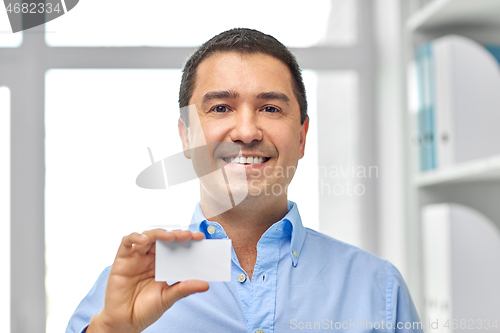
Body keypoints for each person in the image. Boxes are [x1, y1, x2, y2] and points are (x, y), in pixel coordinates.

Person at [66, 28, 422, 333]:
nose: (247, 131)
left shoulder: (379, 289)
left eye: (270, 108)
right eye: (220, 107)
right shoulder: (127, 289)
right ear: (186, 137)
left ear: (301, 137)